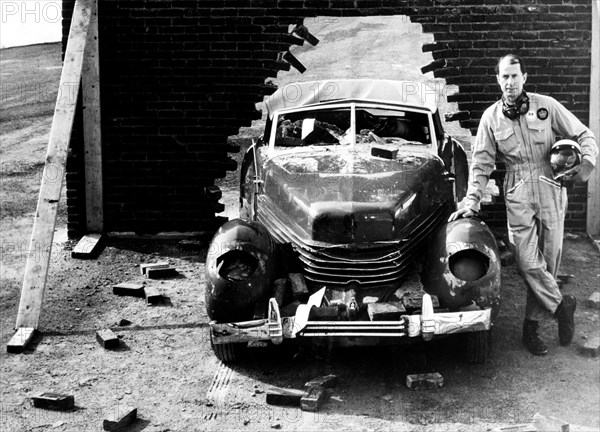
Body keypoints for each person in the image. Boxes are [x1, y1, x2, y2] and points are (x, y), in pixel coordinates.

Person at [449, 54, 598, 356]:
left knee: (548, 261)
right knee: (528, 261)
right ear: (498, 80)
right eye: (505, 77)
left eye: (515, 76)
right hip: (517, 190)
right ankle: (561, 305)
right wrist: (471, 201)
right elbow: (481, 164)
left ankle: (531, 328)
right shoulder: (491, 118)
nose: (510, 82)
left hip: (551, 186)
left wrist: (585, 166)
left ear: (525, 78)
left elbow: (584, 133)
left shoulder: (546, 106)